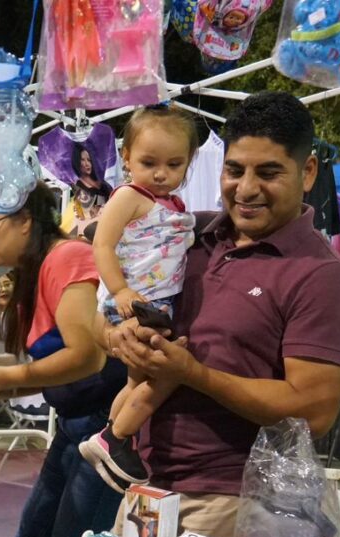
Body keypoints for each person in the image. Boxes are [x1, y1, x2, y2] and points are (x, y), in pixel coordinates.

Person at [108, 92, 340, 537]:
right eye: (234, 169)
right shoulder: (188, 234)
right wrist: (117, 338)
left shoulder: (322, 276)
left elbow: (314, 410)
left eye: (268, 173)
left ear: (307, 173)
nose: (245, 189)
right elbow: (104, 311)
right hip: (144, 490)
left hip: (230, 502)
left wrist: (193, 374)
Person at [0, 183, 128, 537]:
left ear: (25, 222)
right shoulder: (32, 275)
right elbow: (50, 367)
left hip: (102, 428)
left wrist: (7, 378)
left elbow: (87, 356)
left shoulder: (67, 257)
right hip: (75, 425)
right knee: (32, 535)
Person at [80, 106, 200, 491]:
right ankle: (115, 440)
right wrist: (120, 291)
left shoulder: (172, 205)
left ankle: (110, 438)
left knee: (138, 381)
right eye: (149, 162)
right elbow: (102, 243)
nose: (161, 173)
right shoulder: (129, 195)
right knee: (161, 375)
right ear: (127, 157)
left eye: (174, 164)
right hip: (136, 301)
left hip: (155, 302)